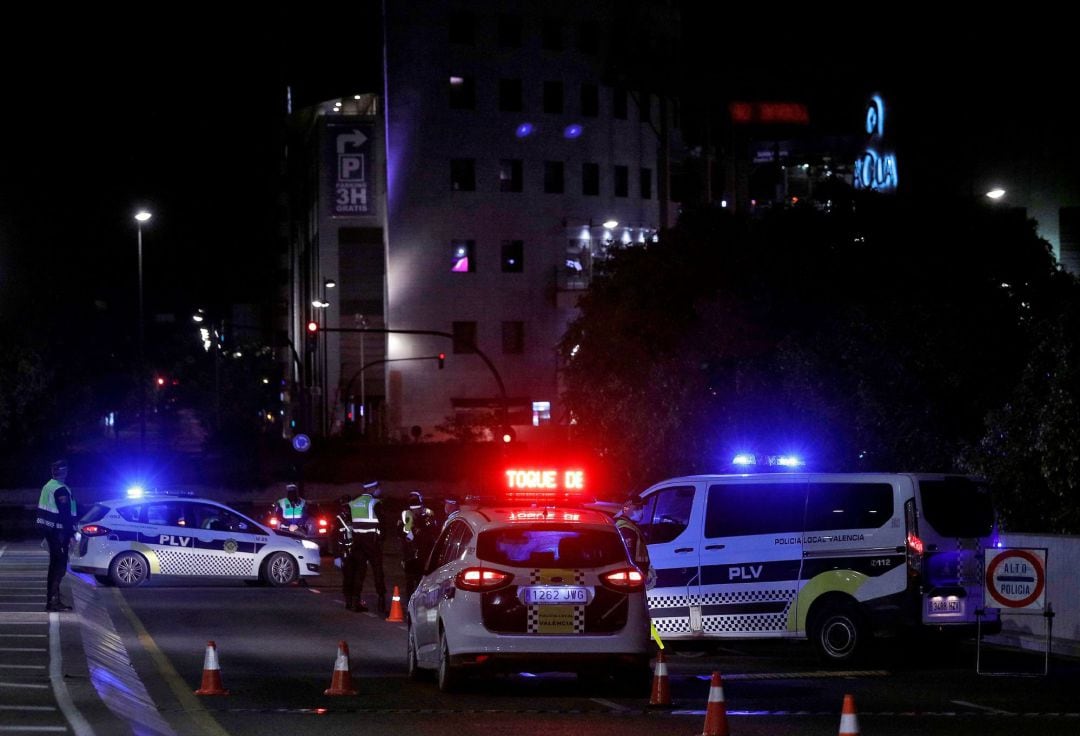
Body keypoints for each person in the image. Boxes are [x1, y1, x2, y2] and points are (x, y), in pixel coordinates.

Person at [339, 481, 388, 614]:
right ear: (372, 488)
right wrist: (381, 538)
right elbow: (383, 524)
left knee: (358, 572)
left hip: (357, 541)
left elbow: (349, 519)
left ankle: (354, 601)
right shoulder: (374, 503)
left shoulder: (354, 502)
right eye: (377, 488)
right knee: (378, 571)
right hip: (371, 541)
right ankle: (381, 601)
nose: (379, 490)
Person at [36, 459, 76, 612]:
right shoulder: (61, 490)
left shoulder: (48, 486)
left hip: (51, 532)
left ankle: (53, 599)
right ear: (65, 472)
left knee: (54, 567)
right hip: (60, 533)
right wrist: (71, 534)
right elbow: (65, 514)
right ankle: (53, 601)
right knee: (59, 568)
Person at [398, 490, 437, 601]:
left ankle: (417, 601)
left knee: (419, 580)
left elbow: (432, 532)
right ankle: (413, 602)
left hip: (421, 553)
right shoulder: (407, 515)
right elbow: (403, 533)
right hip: (413, 553)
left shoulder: (427, 514)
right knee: (413, 580)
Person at [615, 495, 654, 588]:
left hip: (638, 575)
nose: (641, 511)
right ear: (626, 508)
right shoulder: (625, 528)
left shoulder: (631, 526)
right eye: (637, 508)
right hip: (634, 576)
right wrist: (641, 573)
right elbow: (629, 557)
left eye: (641, 508)